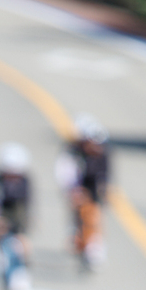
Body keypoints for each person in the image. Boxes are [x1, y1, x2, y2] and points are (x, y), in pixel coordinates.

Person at [55, 115, 109, 270]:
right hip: (77, 187)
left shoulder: (102, 153)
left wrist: (101, 192)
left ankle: (94, 247)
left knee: (93, 215)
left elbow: (105, 176)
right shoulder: (72, 153)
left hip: (93, 188)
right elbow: (65, 174)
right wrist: (73, 191)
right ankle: (77, 238)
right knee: (79, 213)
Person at [0, 143, 33, 290]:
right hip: (1, 225)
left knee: (19, 251)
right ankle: (7, 284)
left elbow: (27, 208)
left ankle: (18, 281)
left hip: (17, 225)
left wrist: (23, 231)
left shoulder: (25, 183)